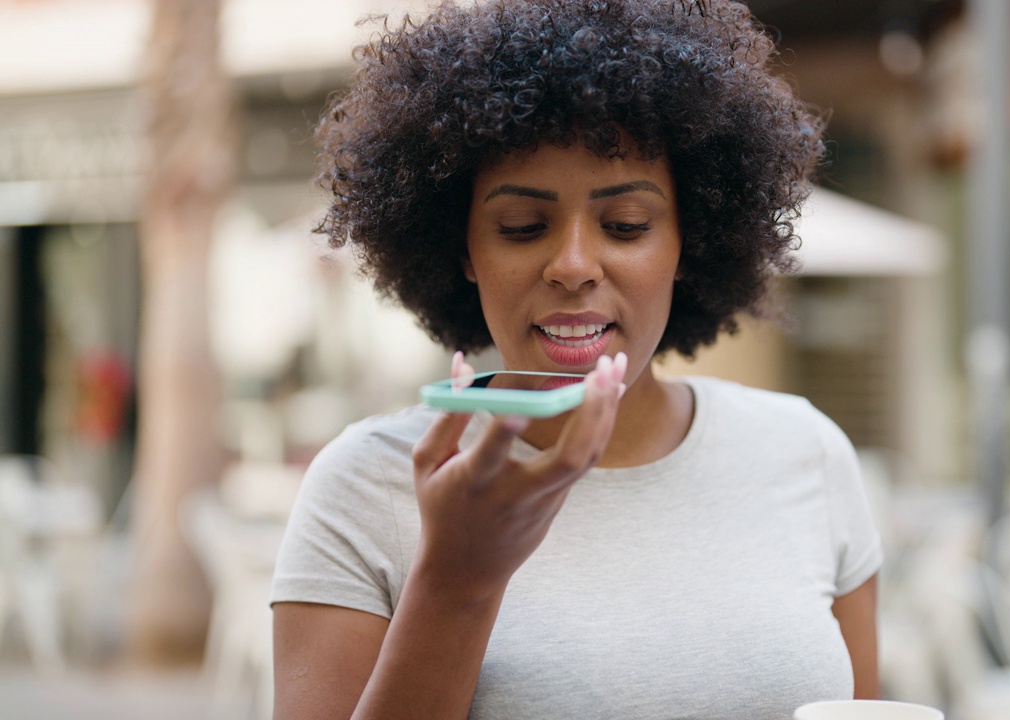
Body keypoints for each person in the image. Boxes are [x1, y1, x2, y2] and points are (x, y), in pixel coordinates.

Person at [269, 1, 883, 718]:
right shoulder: (364, 489)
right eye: (523, 226)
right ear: (463, 248)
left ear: (692, 240)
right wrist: (456, 582)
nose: (573, 265)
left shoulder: (805, 453)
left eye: (625, 225)